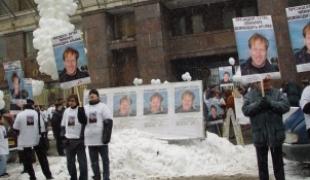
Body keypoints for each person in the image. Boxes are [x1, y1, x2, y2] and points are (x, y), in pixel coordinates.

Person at [242, 78, 290, 180]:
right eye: (263, 81)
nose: (266, 83)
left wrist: (271, 103)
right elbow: (246, 110)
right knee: (262, 168)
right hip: (260, 136)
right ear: (257, 83)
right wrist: (258, 104)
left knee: (279, 166)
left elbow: (286, 106)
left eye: (268, 81)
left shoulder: (277, 93)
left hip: (276, 135)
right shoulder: (250, 96)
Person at [13, 99, 53, 180]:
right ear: (32, 107)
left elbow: (15, 128)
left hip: (25, 142)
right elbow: (42, 128)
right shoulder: (37, 114)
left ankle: (32, 176)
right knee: (43, 159)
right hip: (37, 140)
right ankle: (48, 175)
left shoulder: (20, 115)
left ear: (24, 107)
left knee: (28, 161)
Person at [79, 89, 113, 180]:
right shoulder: (85, 108)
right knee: (94, 161)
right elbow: (82, 121)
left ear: (98, 97)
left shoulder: (103, 107)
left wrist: (106, 136)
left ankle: (106, 177)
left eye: (93, 96)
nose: (91, 98)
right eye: (90, 96)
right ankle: (97, 176)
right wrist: (80, 112)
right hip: (90, 140)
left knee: (105, 160)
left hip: (101, 139)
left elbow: (109, 121)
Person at [61, 94, 87, 180]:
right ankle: (73, 177)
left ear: (76, 101)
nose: (71, 102)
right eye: (70, 101)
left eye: (73, 101)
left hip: (79, 141)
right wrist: (63, 137)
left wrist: (82, 112)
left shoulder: (81, 110)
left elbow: (85, 123)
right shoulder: (66, 111)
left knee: (82, 163)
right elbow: (63, 125)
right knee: (70, 163)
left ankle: (83, 178)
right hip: (69, 141)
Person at [0, 114, 9, 178]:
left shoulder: (3, 127)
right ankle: (1, 173)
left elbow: (5, 136)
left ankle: (3, 171)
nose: (3, 120)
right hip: (0, 147)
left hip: (4, 145)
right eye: (2, 118)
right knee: (3, 159)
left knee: (5, 159)